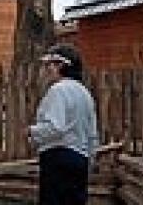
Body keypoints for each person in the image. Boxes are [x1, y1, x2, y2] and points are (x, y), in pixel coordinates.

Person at [28, 44, 99, 205]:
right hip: (80, 158)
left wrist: (32, 131)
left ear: (60, 66)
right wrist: (90, 157)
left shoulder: (58, 91)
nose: (47, 69)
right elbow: (92, 132)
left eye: (49, 65)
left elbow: (55, 127)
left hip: (58, 157)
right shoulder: (84, 93)